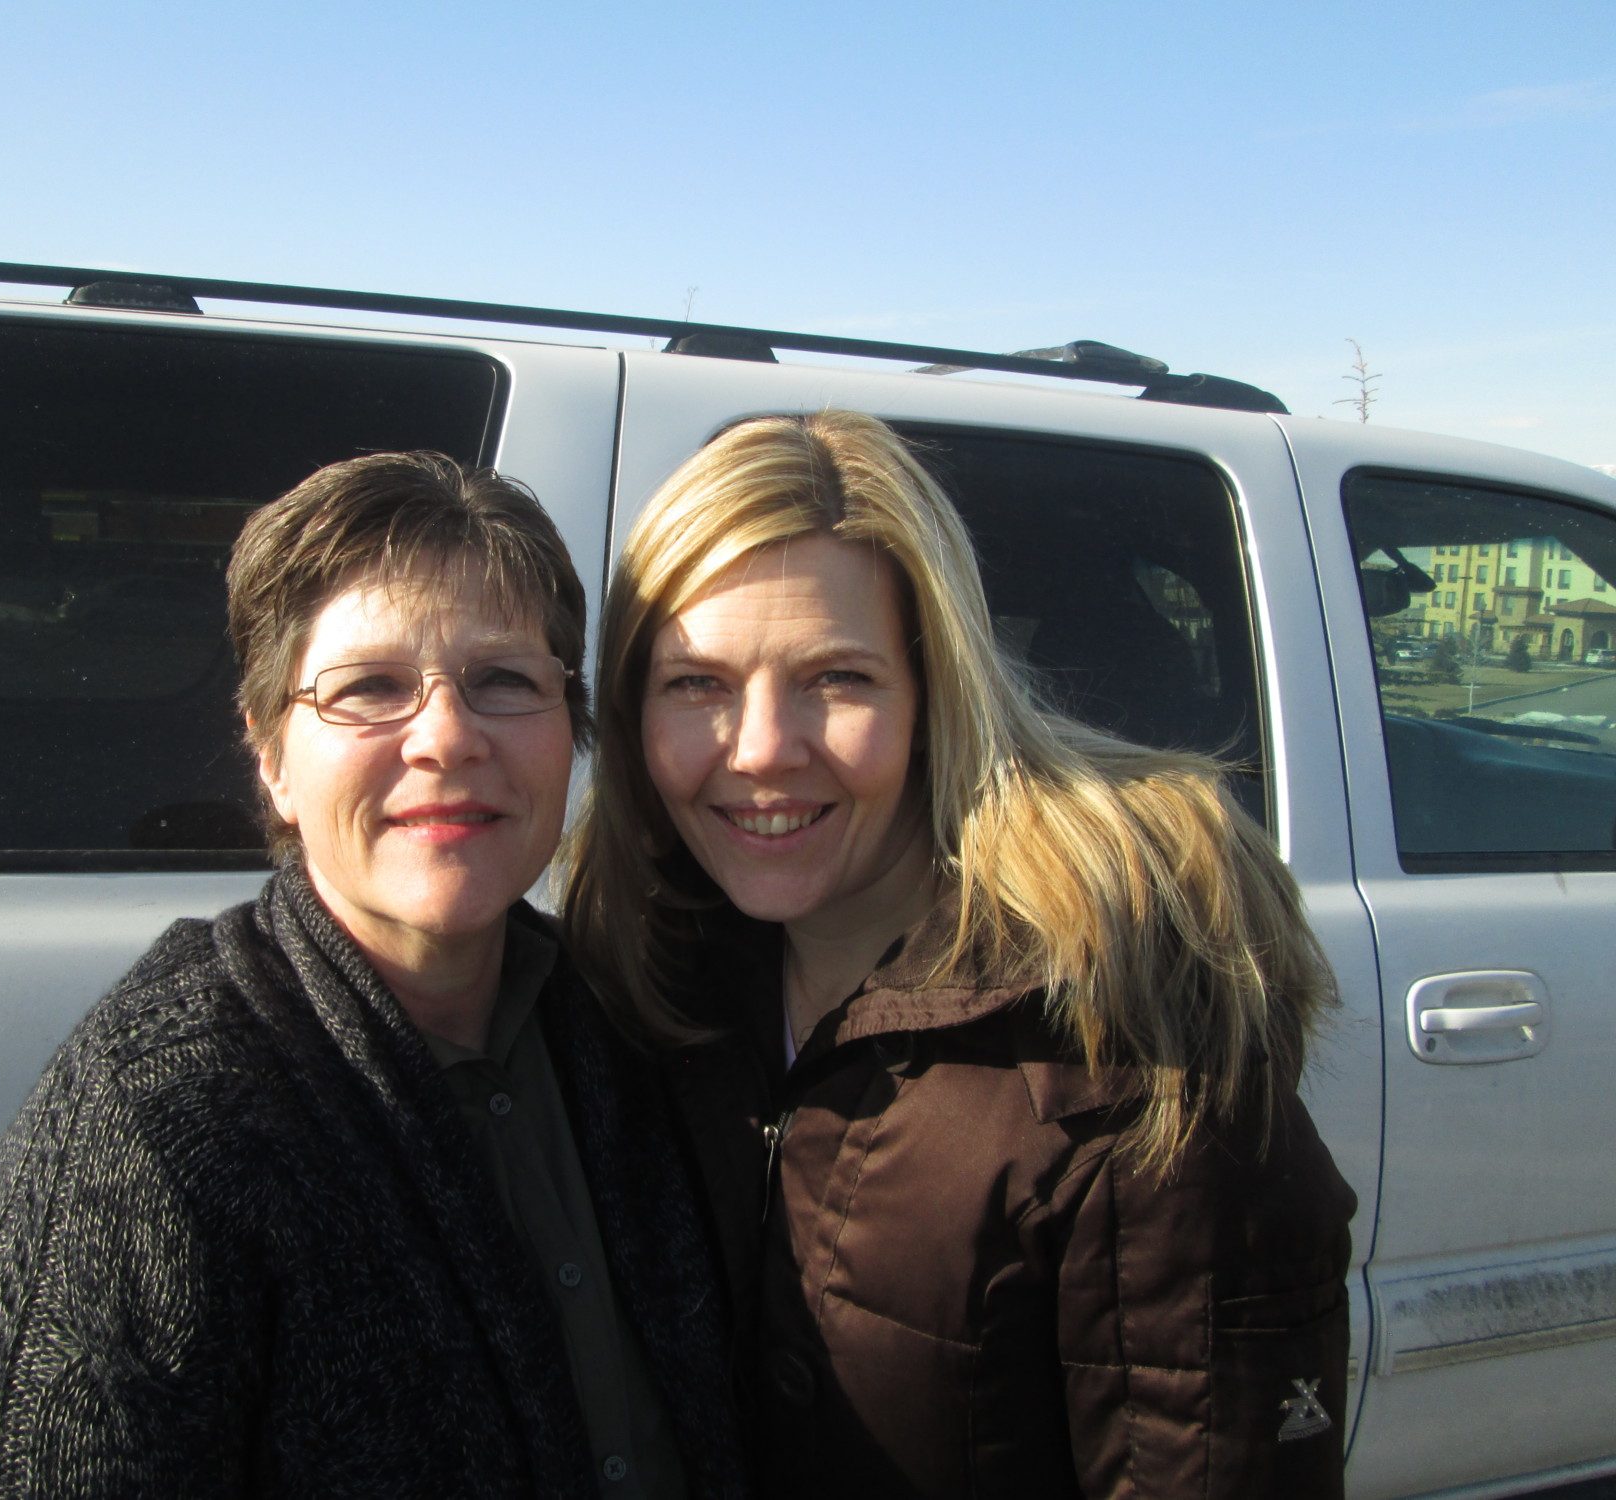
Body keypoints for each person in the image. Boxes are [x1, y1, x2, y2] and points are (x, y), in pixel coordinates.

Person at [0, 453, 746, 1499]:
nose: (447, 738)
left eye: (504, 681)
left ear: (570, 730)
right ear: (271, 757)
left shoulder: (625, 1024)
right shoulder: (160, 1116)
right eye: (368, 688)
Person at [565, 411, 1356, 1498]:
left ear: (935, 698)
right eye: (696, 683)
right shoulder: (650, 989)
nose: (760, 750)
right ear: (629, 712)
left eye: (837, 678)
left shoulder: (1126, 1053)